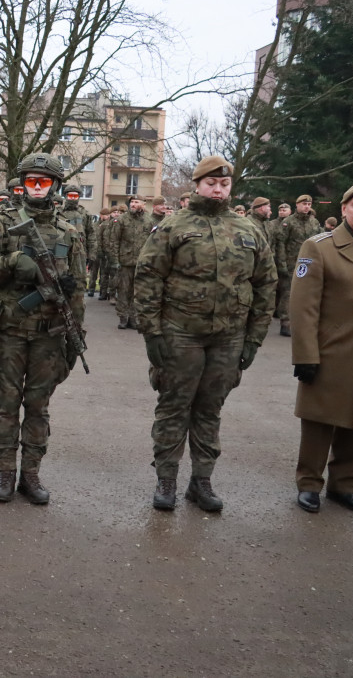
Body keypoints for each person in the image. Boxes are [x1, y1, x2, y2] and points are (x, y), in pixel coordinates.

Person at [134, 156, 277, 511]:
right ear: (197, 184)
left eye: (225, 184)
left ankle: (202, 482)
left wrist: (254, 339)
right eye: (211, 183)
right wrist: (152, 333)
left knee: (210, 409)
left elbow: (266, 284)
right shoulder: (173, 226)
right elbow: (148, 277)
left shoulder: (248, 230)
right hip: (180, 334)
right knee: (173, 407)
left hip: (228, 337)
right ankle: (166, 479)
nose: (218, 189)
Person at [0, 153, 86, 503]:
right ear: (22, 184)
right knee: (6, 405)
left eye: (43, 182)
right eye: (30, 181)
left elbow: (80, 288)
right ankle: (6, 473)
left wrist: (75, 336)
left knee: (38, 407)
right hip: (9, 332)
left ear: (54, 185)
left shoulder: (69, 231)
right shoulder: (2, 223)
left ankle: (32, 474)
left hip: (49, 334)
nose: (36, 188)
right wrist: (13, 262)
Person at [289, 182, 353, 514]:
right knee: (319, 421)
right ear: (344, 209)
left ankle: (343, 486)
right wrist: (306, 356)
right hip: (333, 351)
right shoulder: (319, 246)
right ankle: (309, 484)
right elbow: (303, 306)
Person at [276, 194, 321, 336]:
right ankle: (286, 322)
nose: (307, 206)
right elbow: (281, 242)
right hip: (291, 262)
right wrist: (281, 262)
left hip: (310, 263)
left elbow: (320, 241)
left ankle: (303, 322)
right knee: (288, 292)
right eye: (304, 204)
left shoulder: (314, 222)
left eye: (309, 204)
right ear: (297, 205)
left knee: (308, 293)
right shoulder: (288, 222)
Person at [109, 195, 152, 329]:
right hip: (125, 262)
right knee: (123, 290)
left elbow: (153, 243)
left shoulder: (149, 221)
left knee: (137, 292)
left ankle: (134, 318)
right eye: (132, 202)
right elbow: (114, 241)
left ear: (143, 204)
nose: (133, 204)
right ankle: (123, 317)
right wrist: (115, 260)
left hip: (141, 263)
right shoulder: (122, 220)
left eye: (136, 202)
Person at [93, 208, 113, 299]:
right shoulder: (99, 225)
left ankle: (108, 292)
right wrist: (99, 250)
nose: (107, 216)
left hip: (111, 252)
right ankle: (101, 291)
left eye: (109, 215)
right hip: (101, 251)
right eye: (106, 215)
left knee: (108, 273)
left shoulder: (114, 224)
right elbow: (98, 238)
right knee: (98, 272)